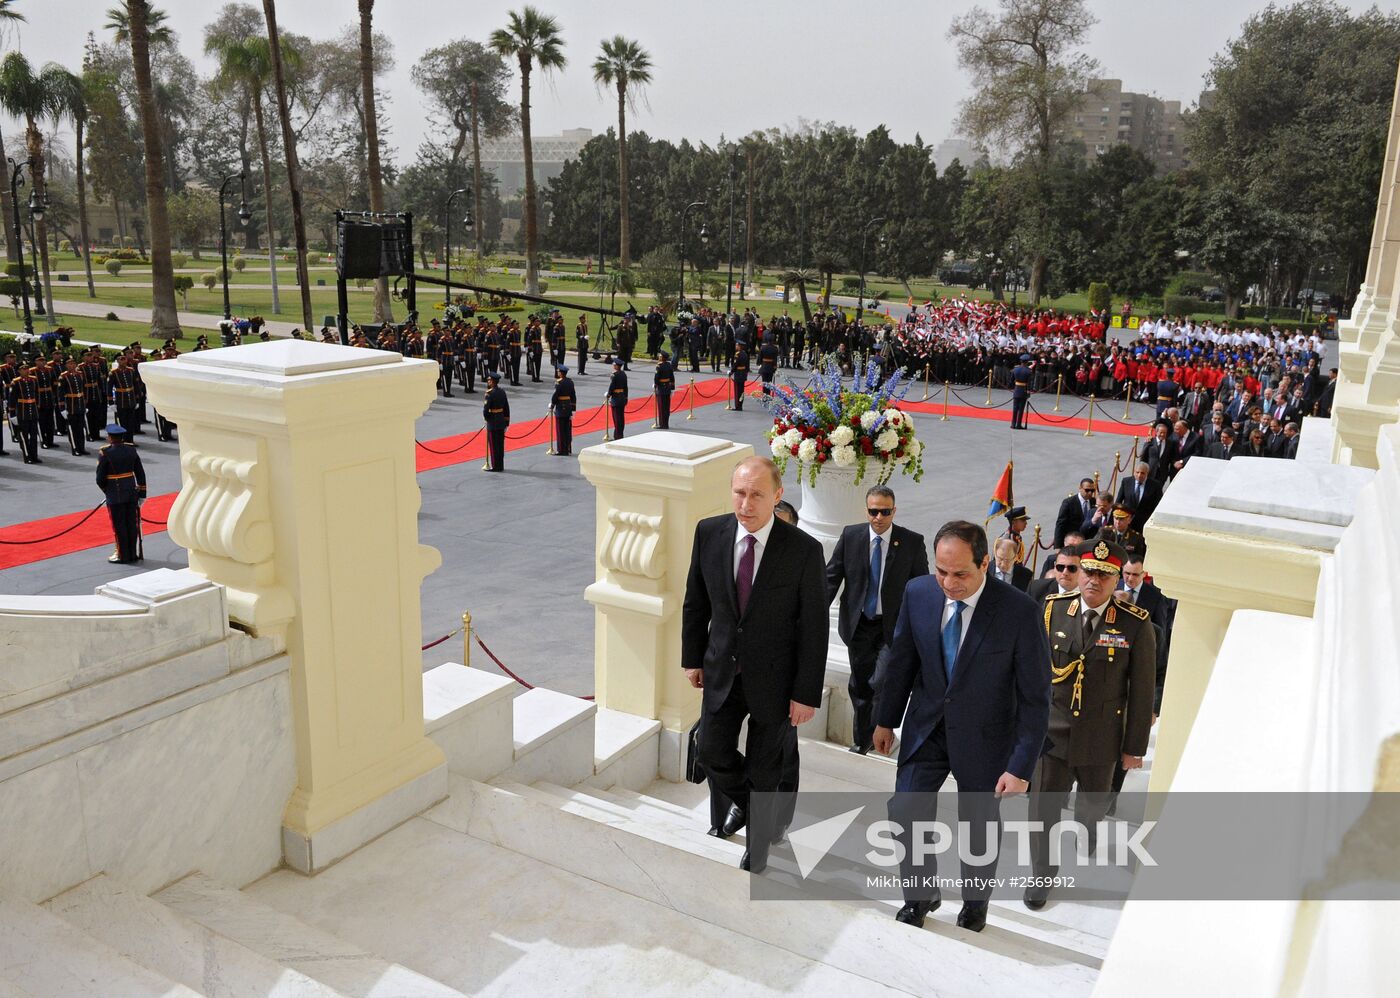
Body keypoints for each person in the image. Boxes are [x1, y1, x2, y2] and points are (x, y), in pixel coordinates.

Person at [874, 520, 1050, 932]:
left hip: (987, 739)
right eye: (941, 571)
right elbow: (902, 661)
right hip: (927, 727)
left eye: (960, 574)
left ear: (985, 563)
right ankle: (919, 896)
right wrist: (885, 720)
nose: (948, 583)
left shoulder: (1019, 611)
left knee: (978, 825)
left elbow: (1036, 696)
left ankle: (975, 902)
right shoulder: (918, 593)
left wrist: (1020, 766)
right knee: (905, 810)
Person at [682, 457, 827, 874]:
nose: (746, 503)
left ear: (777, 495)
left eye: (757, 494)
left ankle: (758, 846)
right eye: (740, 492)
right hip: (721, 671)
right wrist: (692, 658)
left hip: (777, 683)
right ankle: (752, 811)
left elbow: (814, 628)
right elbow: (696, 600)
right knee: (710, 751)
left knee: (765, 768)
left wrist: (805, 693)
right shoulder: (709, 533)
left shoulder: (803, 550)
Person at [1026, 539, 1155, 910]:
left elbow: (1141, 691)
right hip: (1053, 733)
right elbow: (1033, 674)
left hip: (1102, 738)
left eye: (1104, 574)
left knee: (1093, 805)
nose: (1093, 581)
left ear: (1118, 580)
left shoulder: (1135, 625)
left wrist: (1134, 748)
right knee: (1042, 810)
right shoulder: (1052, 612)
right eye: (1088, 571)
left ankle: (1089, 825)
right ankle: (1042, 874)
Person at [825, 485, 930, 755]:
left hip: (892, 628)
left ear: (894, 511)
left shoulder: (911, 542)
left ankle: (879, 732)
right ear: (866, 510)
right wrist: (812, 613)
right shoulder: (851, 536)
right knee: (860, 685)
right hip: (858, 624)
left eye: (885, 511)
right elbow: (831, 577)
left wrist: (922, 627)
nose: (879, 517)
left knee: (880, 682)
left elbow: (922, 588)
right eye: (874, 511)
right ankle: (863, 742)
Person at [96, 422, 147, 564]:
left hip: (115, 493)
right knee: (131, 524)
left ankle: (122, 555)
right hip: (131, 491)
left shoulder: (105, 453)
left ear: (110, 438)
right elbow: (140, 473)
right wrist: (142, 493)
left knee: (119, 526)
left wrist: (107, 491)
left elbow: (100, 479)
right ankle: (132, 554)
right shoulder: (131, 450)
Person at [1114, 462, 1164, 526]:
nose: (1139, 475)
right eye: (1137, 472)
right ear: (1134, 472)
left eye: (1142, 473)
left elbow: (1158, 505)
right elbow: (1118, 501)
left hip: (1144, 521)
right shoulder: (1126, 482)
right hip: (1127, 520)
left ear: (1147, 473)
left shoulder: (1155, 486)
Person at [1054, 478, 1097, 549]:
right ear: (1080, 488)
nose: (1090, 493)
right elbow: (1060, 525)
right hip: (1073, 542)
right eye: (1087, 490)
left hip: (1089, 542)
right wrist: (1058, 546)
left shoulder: (1094, 502)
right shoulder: (1069, 503)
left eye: (1092, 491)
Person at [482, 372, 509, 472]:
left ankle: (495, 466)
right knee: (500, 445)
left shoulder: (489, 394)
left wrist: (487, 419)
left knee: (493, 446)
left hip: (492, 422)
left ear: (492, 381)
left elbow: (486, 410)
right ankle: (500, 465)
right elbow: (506, 407)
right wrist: (506, 422)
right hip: (501, 420)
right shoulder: (502, 392)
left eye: (489, 380)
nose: (488, 381)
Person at [550, 365, 575, 456]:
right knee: (567, 430)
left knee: (560, 430)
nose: (557, 372)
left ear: (561, 373)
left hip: (560, 407)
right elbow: (573, 396)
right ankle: (568, 448)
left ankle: (561, 450)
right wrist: (573, 409)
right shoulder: (570, 382)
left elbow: (555, 395)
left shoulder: (559, 383)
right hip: (568, 407)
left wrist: (552, 404)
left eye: (558, 371)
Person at [607, 356, 628, 439]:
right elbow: (626, 387)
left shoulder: (614, 375)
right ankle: (620, 434)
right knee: (621, 418)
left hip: (616, 398)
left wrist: (608, 394)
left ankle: (617, 435)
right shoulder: (623, 374)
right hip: (622, 397)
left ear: (617, 366)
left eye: (614, 364)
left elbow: (612, 386)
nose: (613, 365)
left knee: (616, 418)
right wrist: (626, 397)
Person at [654, 350, 676, 430]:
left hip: (661, 388)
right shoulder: (669, 365)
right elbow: (672, 377)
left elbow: (657, 378)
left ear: (662, 357)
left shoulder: (659, 366)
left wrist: (655, 385)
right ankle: (666, 423)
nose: (659, 356)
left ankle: (662, 424)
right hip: (668, 387)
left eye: (660, 356)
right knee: (666, 407)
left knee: (661, 407)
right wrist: (672, 388)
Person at [1010, 354, 1032, 429]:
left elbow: (1011, 380)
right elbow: (1029, 383)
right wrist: (1028, 391)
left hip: (1016, 389)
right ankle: (1018, 424)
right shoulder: (1028, 371)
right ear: (1027, 362)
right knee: (1021, 409)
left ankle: (1013, 424)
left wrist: (1013, 388)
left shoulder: (1015, 369)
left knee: (1015, 408)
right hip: (1023, 390)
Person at [730, 344, 750, 411]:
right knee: (741, 391)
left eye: (737, 345)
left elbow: (735, 364)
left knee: (737, 391)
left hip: (738, 373)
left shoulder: (737, 354)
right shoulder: (745, 354)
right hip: (743, 373)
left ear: (739, 346)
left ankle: (738, 406)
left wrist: (731, 371)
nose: (736, 347)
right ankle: (740, 405)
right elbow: (747, 365)